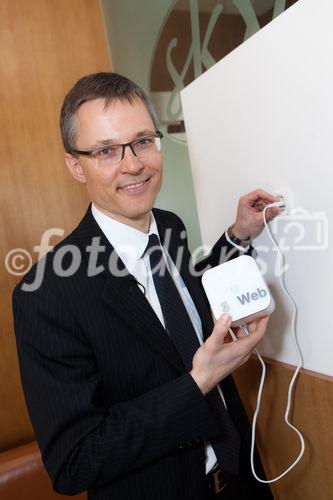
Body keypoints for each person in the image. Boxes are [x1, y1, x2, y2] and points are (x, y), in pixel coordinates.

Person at [13, 72, 279, 500]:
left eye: (142, 141)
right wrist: (199, 382)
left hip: (240, 480)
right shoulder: (45, 295)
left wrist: (238, 236)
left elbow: (186, 302)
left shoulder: (169, 226)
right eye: (106, 151)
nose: (134, 164)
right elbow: (74, 460)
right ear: (75, 165)